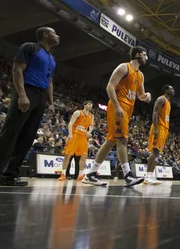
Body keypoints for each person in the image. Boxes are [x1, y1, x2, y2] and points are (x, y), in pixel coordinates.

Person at [83, 46, 152, 187]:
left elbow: (140, 95)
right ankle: (128, 175)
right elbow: (110, 86)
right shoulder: (124, 67)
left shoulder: (141, 75)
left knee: (111, 141)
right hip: (118, 107)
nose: (146, 58)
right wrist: (117, 106)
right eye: (144, 55)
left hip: (128, 109)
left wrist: (147, 97)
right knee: (123, 140)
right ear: (138, 54)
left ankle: (90, 174)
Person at [0, 27, 59, 186]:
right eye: (54, 33)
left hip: (40, 97)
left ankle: (9, 176)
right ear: (45, 35)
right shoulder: (29, 47)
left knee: (27, 138)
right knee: (11, 133)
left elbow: (49, 81)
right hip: (27, 90)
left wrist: (51, 102)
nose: (58, 36)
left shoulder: (51, 58)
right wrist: (22, 95)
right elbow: (17, 70)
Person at [144, 85, 174, 185]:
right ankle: (147, 177)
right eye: (171, 89)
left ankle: (151, 176)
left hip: (164, 128)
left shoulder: (168, 102)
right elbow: (155, 113)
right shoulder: (161, 99)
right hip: (159, 127)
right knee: (154, 150)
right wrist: (156, 128)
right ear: (166, 90)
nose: (173, 90)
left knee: (157, 153)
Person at [58, 101, 94, 182]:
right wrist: (70, 134)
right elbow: (70, 123)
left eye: (91, 105)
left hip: (83, 137)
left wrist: (89, 132)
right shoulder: (78, 113)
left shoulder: (91, 116)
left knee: (83, 156)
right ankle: (63, 174)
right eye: (89, 104)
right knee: (68, 155)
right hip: (74, 135)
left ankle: (80, 175)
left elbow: (91, 126)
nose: (90, 106)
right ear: (84, 105)